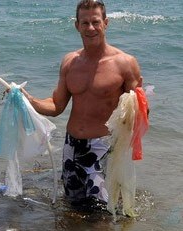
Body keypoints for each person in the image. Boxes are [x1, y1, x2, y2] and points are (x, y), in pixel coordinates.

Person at [20, 0, 143, 206]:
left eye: (95, 22)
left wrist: (140, 108)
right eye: (85, 23)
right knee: (72, 207)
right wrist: (27, 100)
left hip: (103, 148)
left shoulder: (125, 63)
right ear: (77, 25)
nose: (91, 28)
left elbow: (140, 112)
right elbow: (56, 106)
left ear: (106, 23)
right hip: (72, 147)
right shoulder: (70, 62)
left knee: (102, 212)